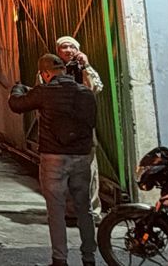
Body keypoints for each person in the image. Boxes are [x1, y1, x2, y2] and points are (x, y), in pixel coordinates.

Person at [10, 52, 98, 266]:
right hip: (81, 156)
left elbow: (17, 105)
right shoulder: (86, 93)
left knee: (56, 210)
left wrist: (17, 88)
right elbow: (91, 122)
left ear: (45, 74)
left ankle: (60, 259)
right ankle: (89, 258)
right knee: (84, 208)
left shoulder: (44, 92)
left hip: (53, 157)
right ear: (64, 70)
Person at [55, 35, 103, 220]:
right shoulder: (52, 70)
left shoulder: (84, 69)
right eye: (64, 47)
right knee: (65, 172)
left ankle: (92, 212)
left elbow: (95, 88)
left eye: (72, 47)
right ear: (58, 51)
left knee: (89, 172)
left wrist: (86, 67)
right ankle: (70, 212)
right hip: (62, 130)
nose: (68, 50)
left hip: (84, 129)